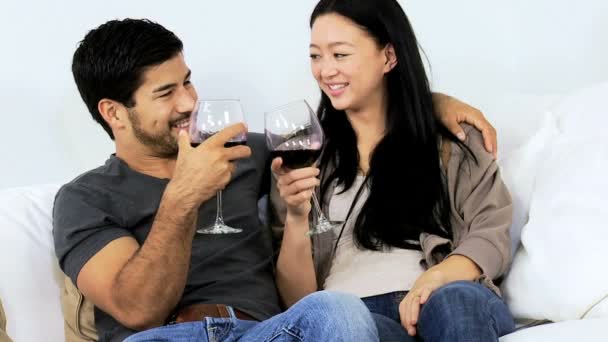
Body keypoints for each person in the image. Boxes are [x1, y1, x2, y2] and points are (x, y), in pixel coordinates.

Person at [52, 17, 500, 342]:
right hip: (168, 338)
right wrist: (183, 196)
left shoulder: (247, 151)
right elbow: (138, 309)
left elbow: (346, 128)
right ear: (113, 112)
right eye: (167, 93)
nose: (190, 102)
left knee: (335, 310)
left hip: (268, 334)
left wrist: (428, 105)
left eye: (187, 82)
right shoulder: (84, 199)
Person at [271, 0, 515, 341]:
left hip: (443, 298)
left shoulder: (451, 140)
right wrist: (297, 216)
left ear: (388, 56)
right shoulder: (304, 158)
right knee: (344, 321)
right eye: (315, 56)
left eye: (340, 55)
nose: (325, 71)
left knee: (455, 301)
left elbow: (491, 231)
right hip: (358, 318)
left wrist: (438, 277)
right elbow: (299, 303)